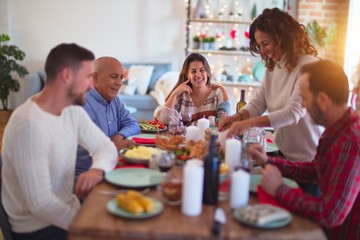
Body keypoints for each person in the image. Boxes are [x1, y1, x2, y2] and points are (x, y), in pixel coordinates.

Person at [1, 43, 118, 240]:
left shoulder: (72, 110)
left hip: (67, 208)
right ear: (66, 76)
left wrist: (97, 170)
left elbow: (105, 146)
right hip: (37, 228)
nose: (92, 85)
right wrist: (88, 225)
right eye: (88, 77)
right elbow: (40, 204)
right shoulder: (28, 125)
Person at [249, 60, 360, 240]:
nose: (303, 105)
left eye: (305, 98)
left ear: (323, 100)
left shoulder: (351, 141)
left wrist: (279, 189)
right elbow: (315, 170)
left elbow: (330, 214)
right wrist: (267, 160)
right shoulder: (336, 129)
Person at [217, 8, 323, 195]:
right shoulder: (273, 68)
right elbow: (258, 103)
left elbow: (293, 113)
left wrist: (247, 124)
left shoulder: (309, 66)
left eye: (266, 43)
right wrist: (237, 117)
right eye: (260, 45)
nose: (263, 50)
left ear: (283, 36)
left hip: (309, 166)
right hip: (284, 158)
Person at [76, 56, 140, 178]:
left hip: (114, 166)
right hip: (88, 175)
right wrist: (112, 146)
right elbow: (79, 151)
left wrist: (118, 136)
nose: (119, 83)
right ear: (95, 78)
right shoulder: (81, 103)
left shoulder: (115, 100)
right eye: (114, 76)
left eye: (121, 78)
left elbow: (133, 124)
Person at [154, 53, 231, 125]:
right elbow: (163, 121)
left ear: (207, 73)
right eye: (193, 71)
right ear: (187, 75)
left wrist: (195, 123)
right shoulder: (182, 94)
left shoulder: (219, 91)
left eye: (201, 70)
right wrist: (174, 94)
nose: (198, 75)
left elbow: (224, 121)